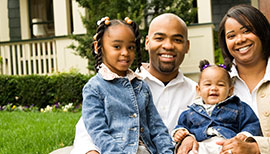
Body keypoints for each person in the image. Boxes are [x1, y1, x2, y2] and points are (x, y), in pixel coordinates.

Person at [179, 4, 270, 154]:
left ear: (262, 32)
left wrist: (253, 148)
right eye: (231, 36)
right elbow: (194, 121)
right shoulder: (215, 83)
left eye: (247, 31)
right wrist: (186, 137)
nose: (240, 40)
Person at [70, 13, 197, 154]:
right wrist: (91, 151)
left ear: (187, 46)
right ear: (147, 43)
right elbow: (88, 131)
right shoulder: (100, 86)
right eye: (159, 38)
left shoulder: (198, 92)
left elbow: (159, 128)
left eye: (177, 40)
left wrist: (188, 137)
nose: (168, 45)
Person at [172, 59, 261, 154]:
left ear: (230, 90)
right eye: (208, 84)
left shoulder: (238, 107)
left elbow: (252, 123)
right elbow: (182, 125)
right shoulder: (191, 111)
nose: (213, 88)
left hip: (225, 143)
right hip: (200, 144)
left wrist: (244, 135)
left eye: (220, 84)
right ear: (198, 90)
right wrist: (180, 132)